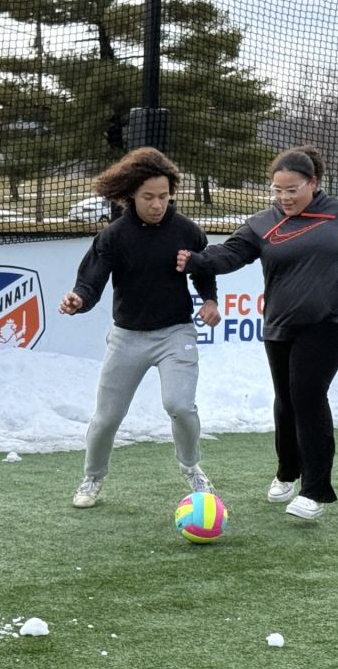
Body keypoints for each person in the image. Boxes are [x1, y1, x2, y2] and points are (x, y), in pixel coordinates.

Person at [176, 146, 338, 520]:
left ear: (313, 183)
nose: (284, 197)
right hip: (279, 325)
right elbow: (230, 255)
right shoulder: (262, 223)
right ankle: (287, 471)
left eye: (292, 190)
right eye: (277, 190)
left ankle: (315, 491)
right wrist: (196, 260)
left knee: (307, 394)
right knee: (286, 400)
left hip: (332, 320)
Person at [59, 147, 222, 508]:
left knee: (180, 405)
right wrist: (78, 300)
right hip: (127, 338)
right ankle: (92, 477)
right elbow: (90, 283)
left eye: (164, 196)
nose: (157, 204)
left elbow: (204, 270)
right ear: (131, 194)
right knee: (107, 418)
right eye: (149, 196)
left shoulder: (187, 231)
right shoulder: (114, 236)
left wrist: (210, 301)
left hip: (175, 333)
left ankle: (192, 468)